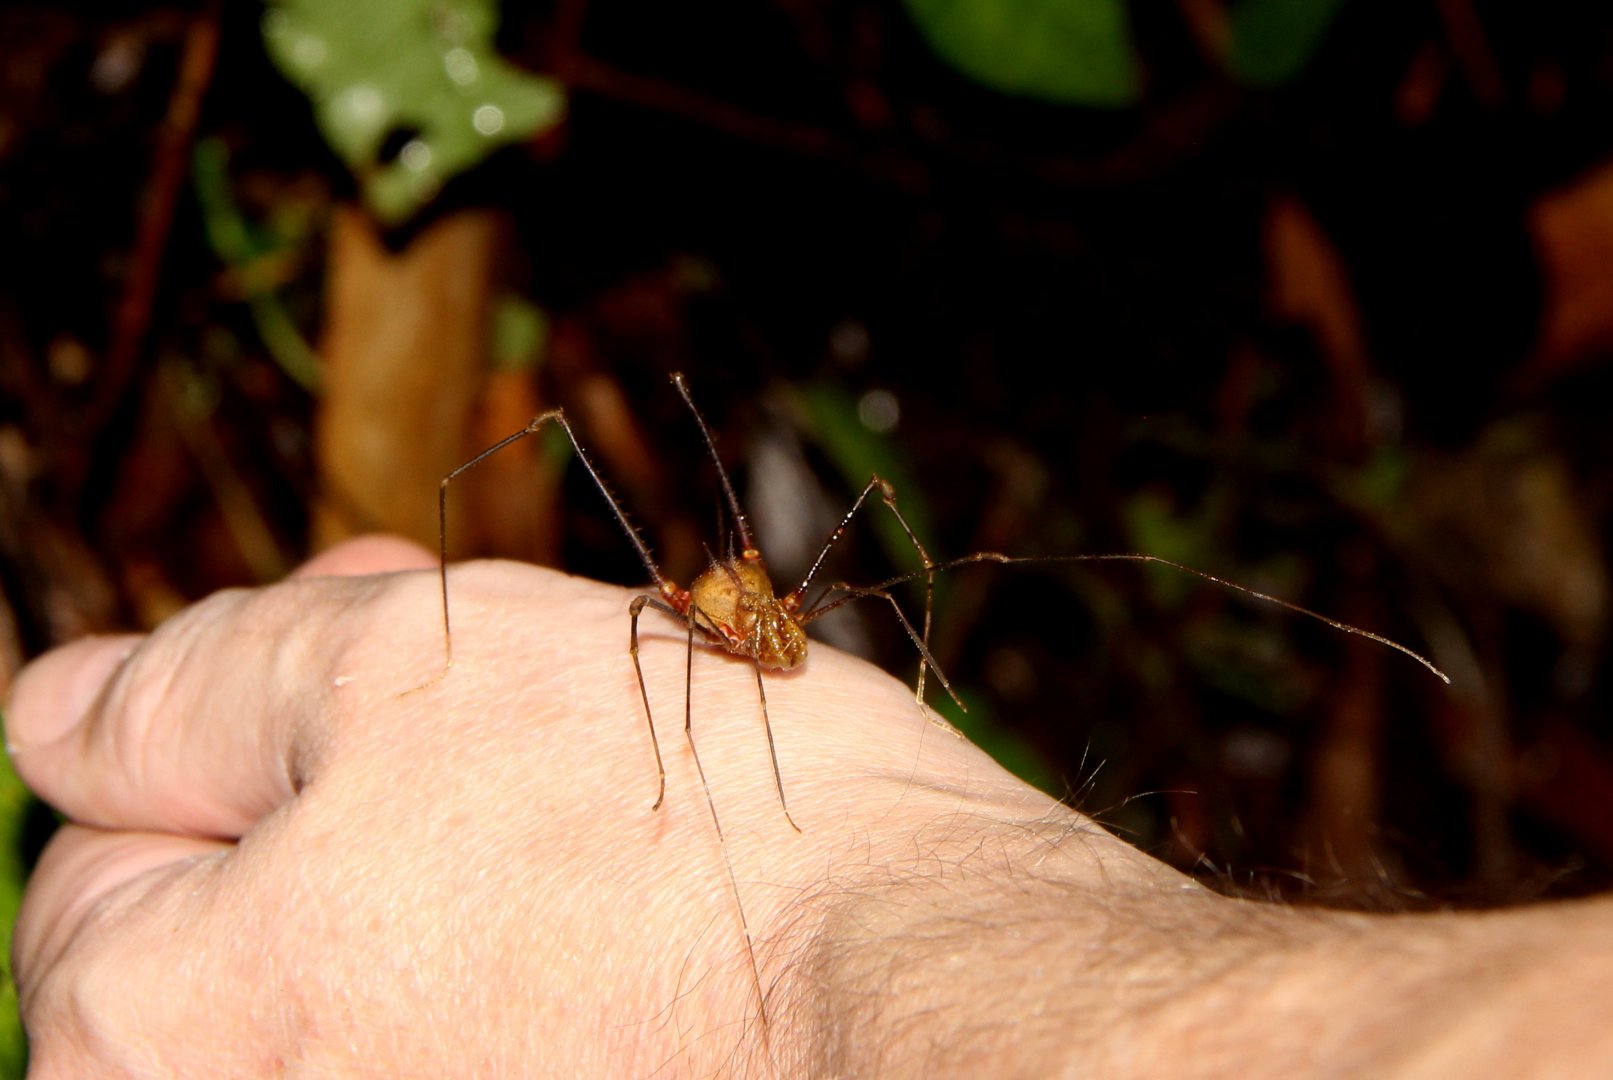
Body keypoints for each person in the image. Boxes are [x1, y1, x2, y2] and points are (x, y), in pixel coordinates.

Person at [7, 535, 1613, 1077]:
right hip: (713, 619)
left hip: (763, 635)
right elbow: (652, 631)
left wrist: (775, 985)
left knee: (944, 551)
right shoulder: (684, 615)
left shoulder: (793, 608)